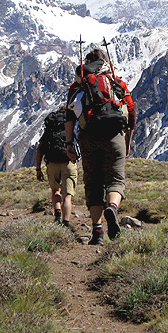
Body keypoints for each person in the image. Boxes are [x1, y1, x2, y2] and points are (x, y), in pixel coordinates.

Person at [65, 48, 136, 245]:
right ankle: (112, 207)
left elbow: (69, 116)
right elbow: (131, 112)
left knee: (93, 183)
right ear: (104, 62)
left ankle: (97, 232)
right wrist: (127, 140)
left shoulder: (78, 86)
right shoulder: (116, 82)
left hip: (89, 137)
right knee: (116, 180)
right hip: (115, 136)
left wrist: (69, 143)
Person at [36, 108, 78, 229]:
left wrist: (38, 169)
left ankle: (57, 215)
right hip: (68, 163)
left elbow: (40, 148)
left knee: (55, 191)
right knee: (67, 195)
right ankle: (66, 222)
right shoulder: (72, 126)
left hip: (52, 163)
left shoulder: (50, 129)